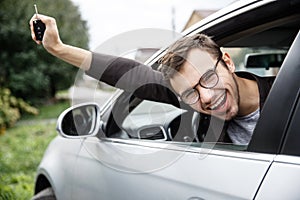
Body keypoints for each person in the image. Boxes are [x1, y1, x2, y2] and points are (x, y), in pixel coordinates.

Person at [29, 14, 275, 145]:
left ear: (228, 62)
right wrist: (59, 49)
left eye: (208, 77)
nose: (207, 98)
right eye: (190, 92)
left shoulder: (291, 95)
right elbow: (132, 74)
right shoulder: (194, 101)